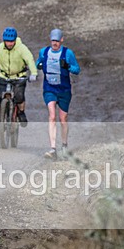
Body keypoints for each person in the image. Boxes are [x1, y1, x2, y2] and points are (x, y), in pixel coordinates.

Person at [35, 28, 80, 159]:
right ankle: (53, 148)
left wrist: (67, 66)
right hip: (49, 88)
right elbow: (38, 62)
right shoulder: (44, 52)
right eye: (52, 40)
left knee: (63, 118)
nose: (54, 43)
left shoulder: (68, 53)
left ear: (61, 40)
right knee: (52, 116)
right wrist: (38, 65)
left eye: (57, 41)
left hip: (64, 90)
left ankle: (64, 145)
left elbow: (77, 69)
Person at [0, 27, 37, 127]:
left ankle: (21, 112)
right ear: (4, 40)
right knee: (0, 100)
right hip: (4, 76)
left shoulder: (22, 48)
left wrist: (34, 73)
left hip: (19, 77)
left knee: (19, 96)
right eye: (7, 41)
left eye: (12, 41)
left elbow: (29, 60)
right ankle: (1, 120)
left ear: (15, 40)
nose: (9, 43)